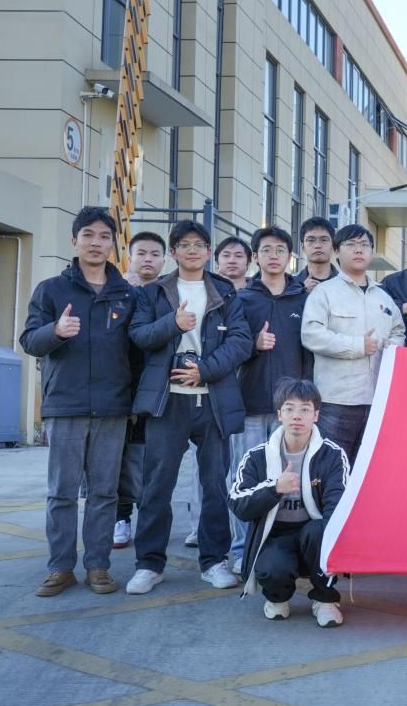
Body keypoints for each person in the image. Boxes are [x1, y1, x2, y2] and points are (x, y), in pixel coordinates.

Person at [126, 221, 252, 595]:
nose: (192, 250)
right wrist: (173, 323)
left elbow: (241, 342)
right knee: (156, 486)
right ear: (174, 252)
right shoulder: (153, 292)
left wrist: (205, 370)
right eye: (184, 245)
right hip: (167, 402)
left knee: (214, 485)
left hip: (212, 400)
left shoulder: (225, 292)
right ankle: (149, 564)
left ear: (208, 252)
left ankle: (214, 561)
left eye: (199, 245)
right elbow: (139, 335)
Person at [19, 208, 136, 597]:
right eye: (88, 235)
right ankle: (60, 567)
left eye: (104, 236)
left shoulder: (126, 295)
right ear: (74, 241)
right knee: (62, 492)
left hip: (113, 406)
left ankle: (98, 566)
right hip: (65, 405)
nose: (96, 243)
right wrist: (55, 330)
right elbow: (30, 341)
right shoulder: (51, 290)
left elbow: (138, 350)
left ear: (113, 244)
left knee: (104, 493)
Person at [230, 379, 348, 627]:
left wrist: (334, 551)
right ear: (279, 414)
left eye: (305, 409)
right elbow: (237, 503)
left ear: (316, 415)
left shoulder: (332, 455)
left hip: (313, 533)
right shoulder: (257, 457)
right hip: (276, 535)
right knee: (273, 568)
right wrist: (274, 489)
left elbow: (339, 507)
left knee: (322, 531)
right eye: (290, 408)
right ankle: (277, 597)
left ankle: (325, 598)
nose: (297, 416)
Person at [233, 226, 313, 566]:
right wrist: (253, 345)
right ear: (256, 257)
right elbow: (230, 348)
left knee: (292, 479)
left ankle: (284, 548)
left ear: (290, 256)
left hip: (292, 410)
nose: (274, 255)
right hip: (251, 405)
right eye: (266, 249)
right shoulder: (242, 299)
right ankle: (241, 550)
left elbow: (311, 353)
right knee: (248, 480)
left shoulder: (303, 300)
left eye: (281, 250)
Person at [302, 223, 405, 463]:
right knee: (332, 466)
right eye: (351, 245)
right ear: (337, 252)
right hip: (337, 400)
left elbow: (398, 330)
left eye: (364, 245)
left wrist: (393, 346)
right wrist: (358, 346)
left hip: (377, 399)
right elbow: (311, 334)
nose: (359, 250)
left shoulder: (383, 296)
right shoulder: (324, 292)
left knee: (368, 467)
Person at [113, 231, 167, 550]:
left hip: (158, 391)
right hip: (121, 389)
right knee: (121, 459)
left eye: (155, 254)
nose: (148, 259)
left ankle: (147, 520)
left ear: (164, 259)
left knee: (150, 461)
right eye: (141, 253)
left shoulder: (169, 293)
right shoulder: (117, 292)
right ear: (129, 257)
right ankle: (121, 518)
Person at [297, 217, 338, 292]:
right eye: (311, 240)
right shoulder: (290, 284)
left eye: (324, 240)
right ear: (302, 247)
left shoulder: (346, 284)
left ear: (333, 246)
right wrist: (302, 292)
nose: (317, 245)